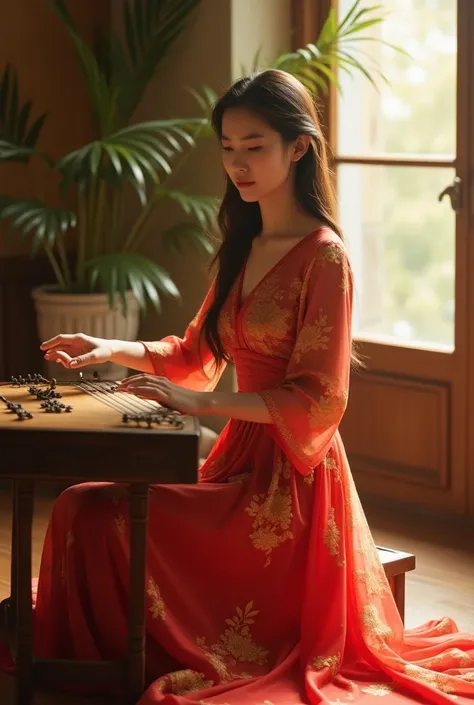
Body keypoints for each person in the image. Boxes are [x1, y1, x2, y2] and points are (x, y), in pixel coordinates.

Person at [2, 69, 474, 705]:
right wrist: (109, 348)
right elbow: (197, 354)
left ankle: (104, 662)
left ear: (298, 147)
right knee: (80, 505)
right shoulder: (242, 244)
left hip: (291, 491)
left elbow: (320, 401)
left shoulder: (325, 258)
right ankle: (87, 660)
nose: (238, 163)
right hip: (235, 465)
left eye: (255, 146)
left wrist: (199, 405)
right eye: (227, 146)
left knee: (94, 510)